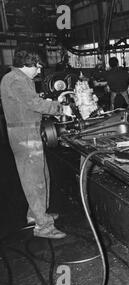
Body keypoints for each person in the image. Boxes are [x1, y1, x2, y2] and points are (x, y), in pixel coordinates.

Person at [0, 47, 67, 239]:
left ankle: (36, 214)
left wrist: (47, 103)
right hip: (24, 134)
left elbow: (32, 102)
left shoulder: (22, 79)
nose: (39, 71)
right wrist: (61, 108)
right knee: (34, 179)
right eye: (37, 67)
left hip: (28, 130)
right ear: (26, 64)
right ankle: (43, 226)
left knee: (41, 175)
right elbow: (34, 104)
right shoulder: (14, 80)